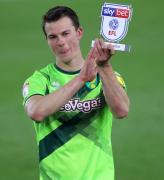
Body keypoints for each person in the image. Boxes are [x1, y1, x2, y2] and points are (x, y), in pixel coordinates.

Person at [22, 6, 130, 180]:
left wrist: (104, 67)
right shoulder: (40, 79)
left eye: (65, 34)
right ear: (47, 40)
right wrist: (81, 79)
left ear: (79, 33)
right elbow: (36, 111)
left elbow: (122, 111)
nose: (61, 42)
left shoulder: (109, 76)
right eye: (53, 37)